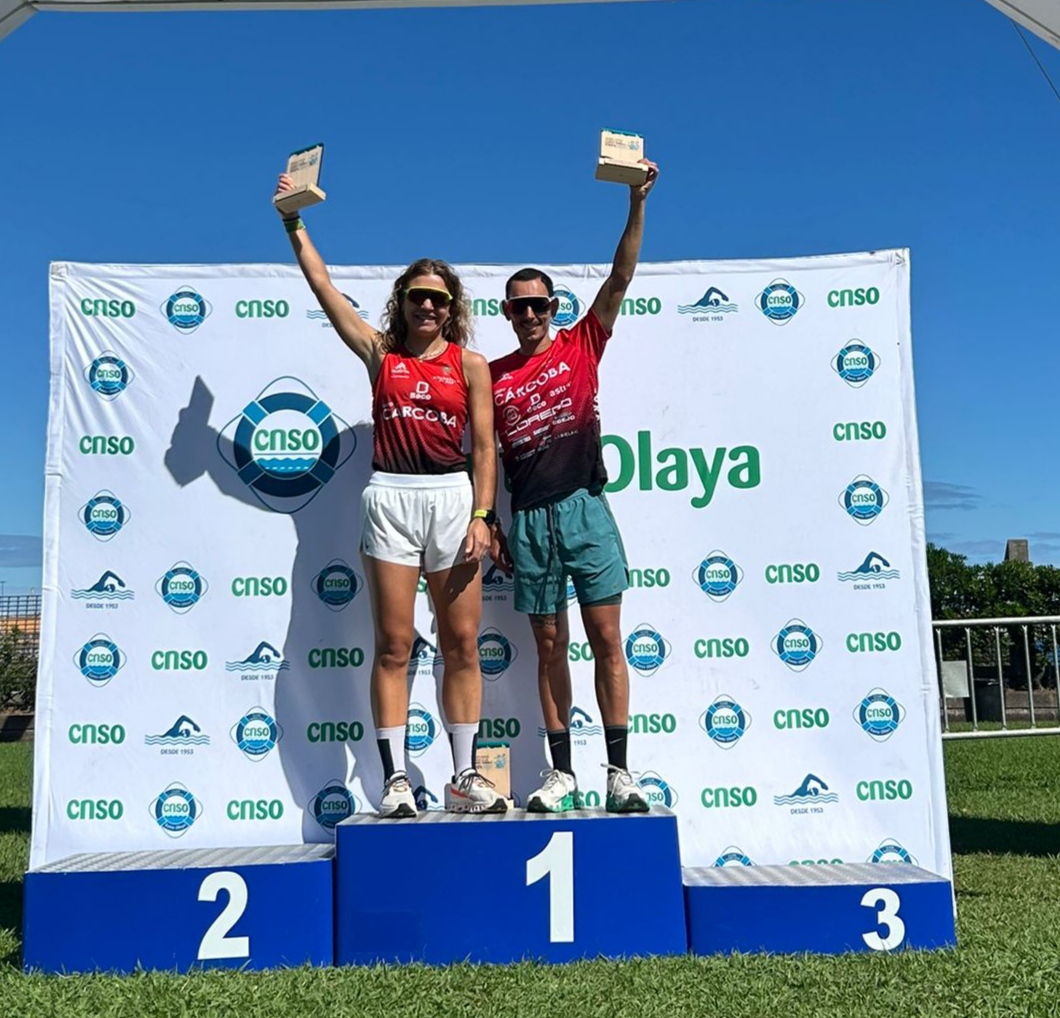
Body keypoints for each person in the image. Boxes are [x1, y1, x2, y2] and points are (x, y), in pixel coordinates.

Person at [274, 173, 505, 817]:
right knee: (394, 645)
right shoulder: (381, 356)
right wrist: (294, 222)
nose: (427, 307)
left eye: (438, 298)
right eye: (416, 297)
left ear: (451, 305)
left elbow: (484, 449)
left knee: (462, 644)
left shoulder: (470, 365)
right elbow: (324, 290)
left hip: (455, 500)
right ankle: (395, 779)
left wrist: (485, 515)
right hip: (392, 500)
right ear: (401, 302)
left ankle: (464, 776)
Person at [488, 161, 659, 814]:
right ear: (507, 313)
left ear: (553, 309)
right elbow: (482, 453)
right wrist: (488, 517)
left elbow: (620, 275)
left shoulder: (583, 343)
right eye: (519, 306)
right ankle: (563, 774)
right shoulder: (492, 376)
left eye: (540, 304)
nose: (530, 314)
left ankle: (620, 773)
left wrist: (636, 203)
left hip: (587, 512)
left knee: (607, 640)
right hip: (529, 521)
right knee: (549, 647)